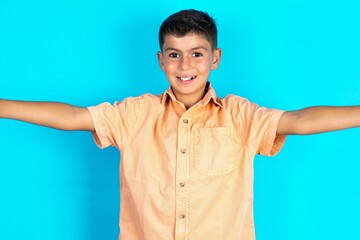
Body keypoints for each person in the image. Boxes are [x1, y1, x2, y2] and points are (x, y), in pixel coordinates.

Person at [0, 9, 359, 240]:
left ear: (215, 59)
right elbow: (75, 116)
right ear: (161, 61)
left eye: (196, 53)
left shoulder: (239, 115)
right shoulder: (135, 113)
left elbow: (297, 121)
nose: (185, 64)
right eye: (174, 54)